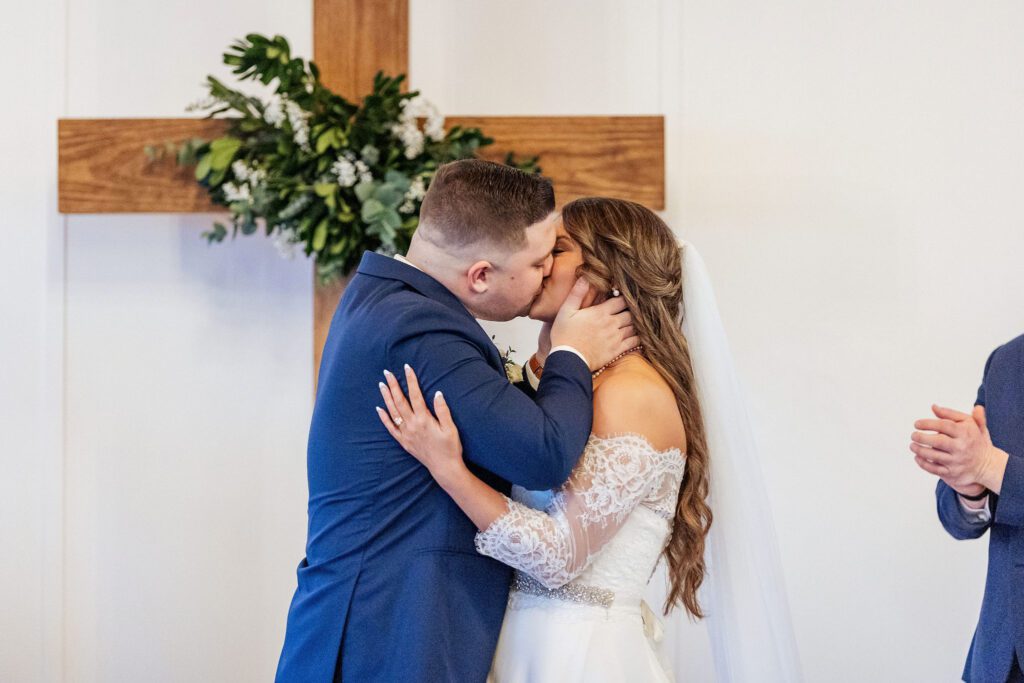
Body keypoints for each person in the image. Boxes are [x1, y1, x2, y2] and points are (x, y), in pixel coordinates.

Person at [378, 197, 803, 681]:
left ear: (605, 274)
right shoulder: (579, 382)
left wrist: (449, 470)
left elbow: (558, 557)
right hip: (518, 646)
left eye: (555, 251)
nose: (536, 265)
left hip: (578, 655)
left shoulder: (633, 393)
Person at [275, 161, 638, 682]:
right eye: (538, 261)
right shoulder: (419, 326)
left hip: (377, 624)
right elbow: (543, 455)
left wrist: (539, 368)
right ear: (481, 274)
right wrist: (571, 353)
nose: (544, 275)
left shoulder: (388, 298)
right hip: (387, 636)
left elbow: (493, 424)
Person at [911, 333, 1024, 683]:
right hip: (1000, 659)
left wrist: (992, 467)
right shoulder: (1006, 361)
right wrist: (971, 492)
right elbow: (955, 515)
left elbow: (990, 464)